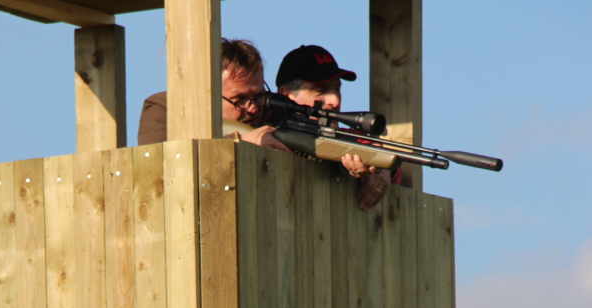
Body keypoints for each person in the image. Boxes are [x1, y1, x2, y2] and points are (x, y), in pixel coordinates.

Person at [275, 44, 399, 211]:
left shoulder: (349, 137)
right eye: (320, 90)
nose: (335, 101)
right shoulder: (265, 132)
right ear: (286, 95)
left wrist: (381, 170)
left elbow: (382, 155)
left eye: (337, 89)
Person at [137, 38, 287, 150]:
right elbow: (158, 163)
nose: (253, 108)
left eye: (258, 96)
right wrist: (241, 141)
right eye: (239, 99)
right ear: (207, 95)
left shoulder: (273, 111)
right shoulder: (165, 110)